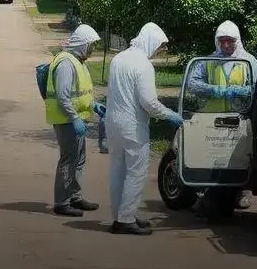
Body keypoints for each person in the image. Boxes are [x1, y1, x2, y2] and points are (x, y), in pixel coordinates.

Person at [106, 22, 184, 235]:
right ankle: (126, 219)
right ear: (151, 42)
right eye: (159, 46)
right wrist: (169, 115)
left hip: (113, 123)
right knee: (135, 172)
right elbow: (148, 102)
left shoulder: (118, 59)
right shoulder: (143, 65)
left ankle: (120, 215)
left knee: (117, 170)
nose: (159, 51)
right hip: (132, 126)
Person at [186, 21, 257, 211]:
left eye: (230, 41)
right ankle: (205, 195)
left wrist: (239, 91)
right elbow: (193, 84)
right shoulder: (207, 61)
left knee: (239, 159)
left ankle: (240, 193)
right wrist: (216, 90)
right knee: (211, 158)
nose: (226, 45)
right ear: (217, 41)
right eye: (223, 41)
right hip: (212, 119)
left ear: (238, 41)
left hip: (239, 119)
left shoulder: (249, 61)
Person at [45, 25, 102, 217]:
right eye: (90, 45)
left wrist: (94, 105)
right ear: (81, 44)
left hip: (76, 119)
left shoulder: (78, 61)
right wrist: (75, 118)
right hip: (67, 120)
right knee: (68, 160)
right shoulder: (66, 63)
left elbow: (80, 92)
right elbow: (63, 96)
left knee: (79, 160)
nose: (92, 50)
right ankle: (62, 202)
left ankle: (75, 196)